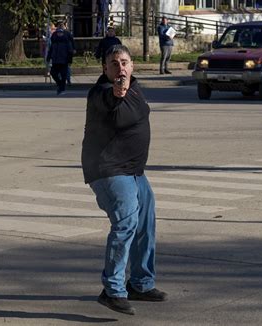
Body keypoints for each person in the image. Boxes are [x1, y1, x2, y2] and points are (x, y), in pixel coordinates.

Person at [81, 44, 168, 315]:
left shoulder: (136, 89)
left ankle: (141, 284)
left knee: (145, 226)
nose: (120, 68)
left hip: (134, 171)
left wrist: (127, 89)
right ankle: (113, 290)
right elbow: (115, 107)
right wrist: (119, 91)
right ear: (105, 69)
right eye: (114, 63)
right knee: (126, 223)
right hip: (109, 170)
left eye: (125, 62)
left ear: (132, 65)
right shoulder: (101, 93)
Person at [47, 22, 73, 95]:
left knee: (64, 75)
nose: (59, 34)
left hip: (64, 61)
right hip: (55, 61)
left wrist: (70, 60)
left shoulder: (66, 42)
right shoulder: (54, 42)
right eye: (58, 33)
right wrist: (48, 57)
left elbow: (70, 52)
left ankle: (62, 89)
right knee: (53, 73)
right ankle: (59, 84)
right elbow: (51, 50)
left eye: (61, 33)